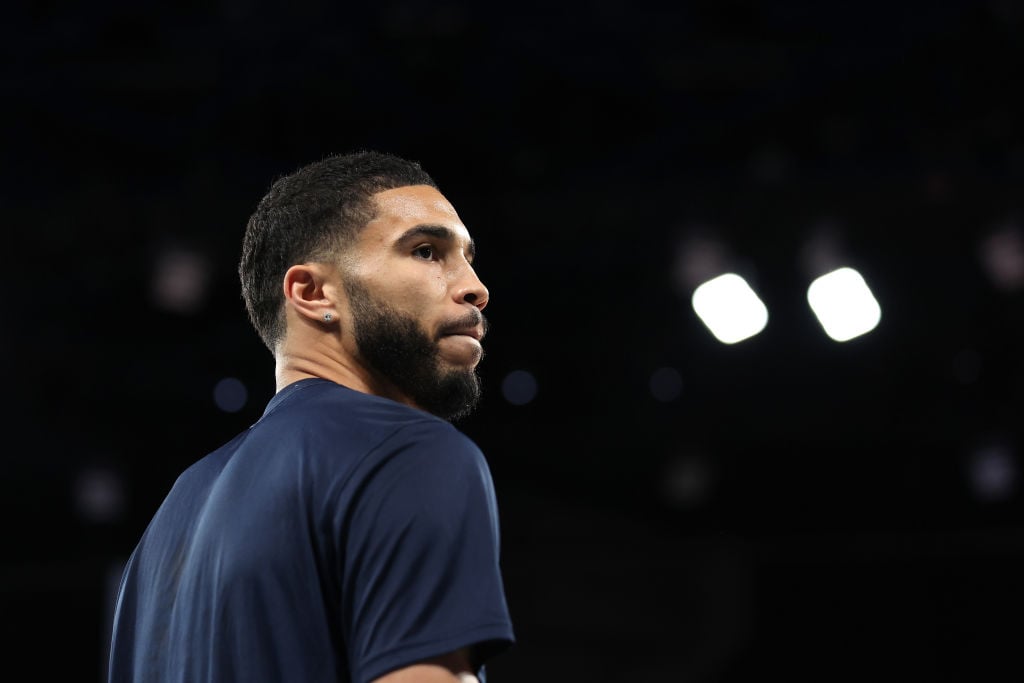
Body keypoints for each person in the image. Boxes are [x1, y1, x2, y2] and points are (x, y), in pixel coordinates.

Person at [107, 150, 516, 683]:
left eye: (467, 257)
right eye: (425, 251)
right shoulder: (408, 452)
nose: (475, 287)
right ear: (313, 292)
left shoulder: (165, 530)